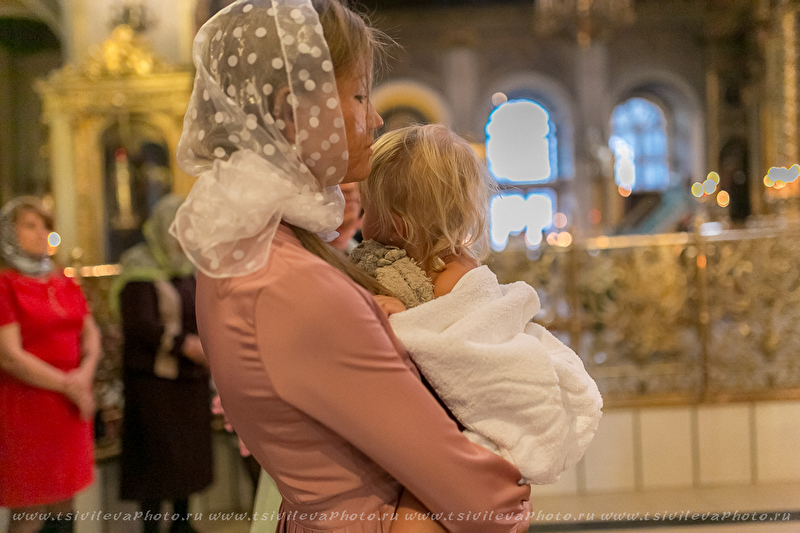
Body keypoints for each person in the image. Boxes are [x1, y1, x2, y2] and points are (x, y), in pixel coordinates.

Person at [169, 1, 531, 532]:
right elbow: (484, 499)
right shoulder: (292, 284)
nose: (376, 117)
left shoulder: (246, 252)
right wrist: (515, 462)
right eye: (360, 95)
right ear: (292, 110)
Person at [352, 124, 603, 486]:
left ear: (399, 226)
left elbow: (451, 352)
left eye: (366, 210)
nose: (361, 223)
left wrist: (403, 325)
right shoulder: (410, 269)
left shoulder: (455, 279)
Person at [110, 194, 213, 533]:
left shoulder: (189, 266)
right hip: (154, 384)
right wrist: (184, 344)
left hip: (190, 380)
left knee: (187, 459)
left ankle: (182, 524)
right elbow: (139, 324)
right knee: (156, 462)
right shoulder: (139, 265)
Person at [0, 196, 101, 533]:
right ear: (8, 233)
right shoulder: (5, 283)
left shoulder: (62, 280)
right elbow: (9, 355)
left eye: (45, 225)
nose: (42, 233)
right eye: (30, 226)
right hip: (28, 405)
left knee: (64, 501)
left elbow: (91, 334)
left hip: (69, 405)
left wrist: (84, 376)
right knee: (30, 507)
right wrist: (70, 385)